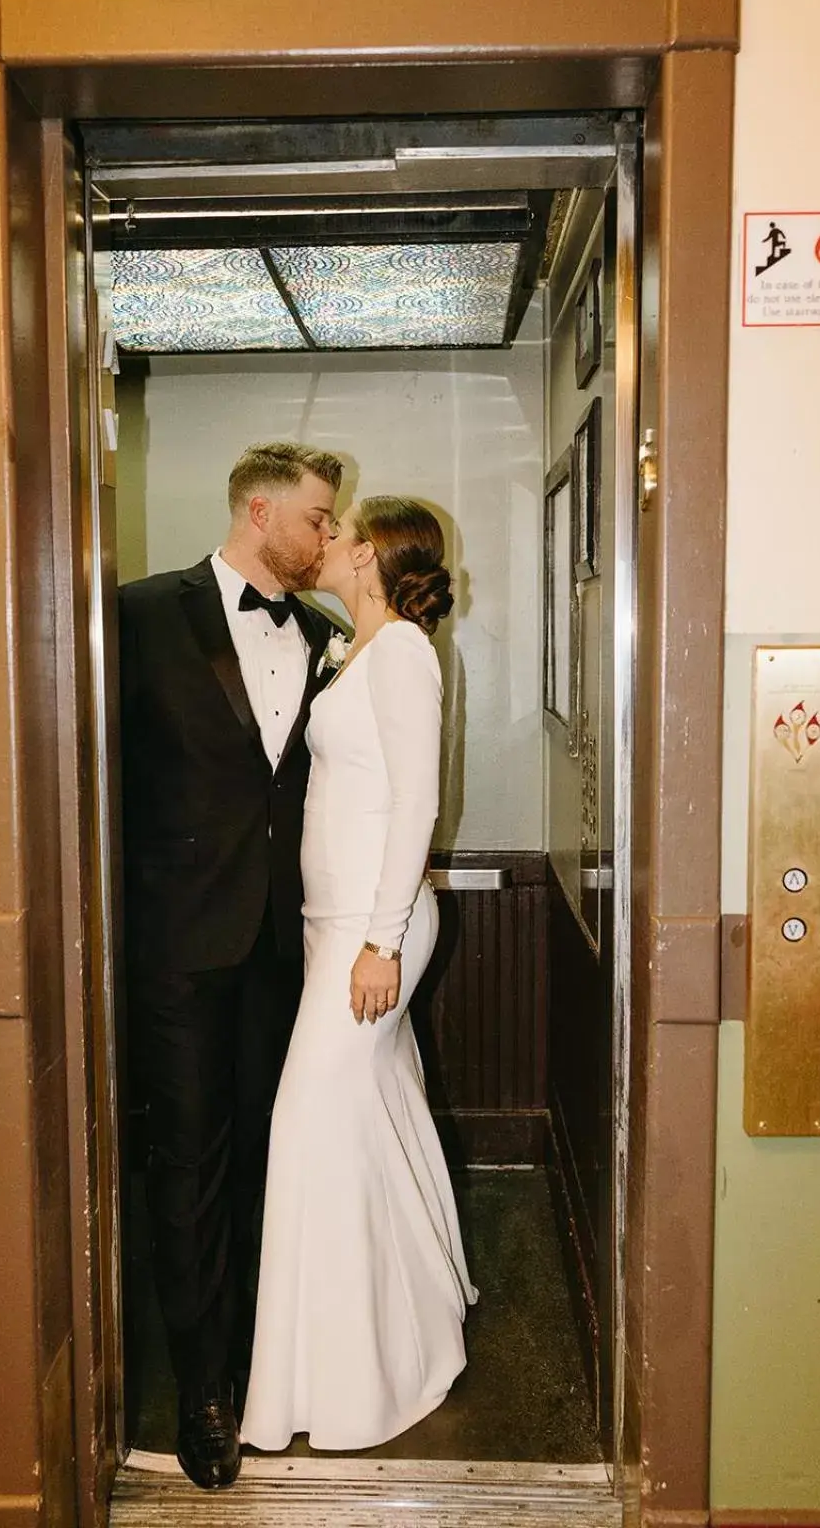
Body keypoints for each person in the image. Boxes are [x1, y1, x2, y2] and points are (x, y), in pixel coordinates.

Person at [119, 440, 345, 1490]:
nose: (328, 537)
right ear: (257, 510)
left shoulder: (330, 636)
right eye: (315, 517)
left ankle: (264, 1364)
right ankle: (200, 1388)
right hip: (174, 948)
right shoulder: (134, 616)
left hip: (284, 948)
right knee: (190, 1169)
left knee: (267, 1158)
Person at [242, 495, 478, 1454]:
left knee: (307, 1125)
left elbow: (417, 801)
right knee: (369, 1116)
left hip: (369, 934)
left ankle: (347, 1378)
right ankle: (413, 1323)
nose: (325, 541)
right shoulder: (359, 649)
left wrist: (380, 941)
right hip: (333, 926)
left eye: (339, 532)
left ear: (372, 553)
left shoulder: (405, 652)